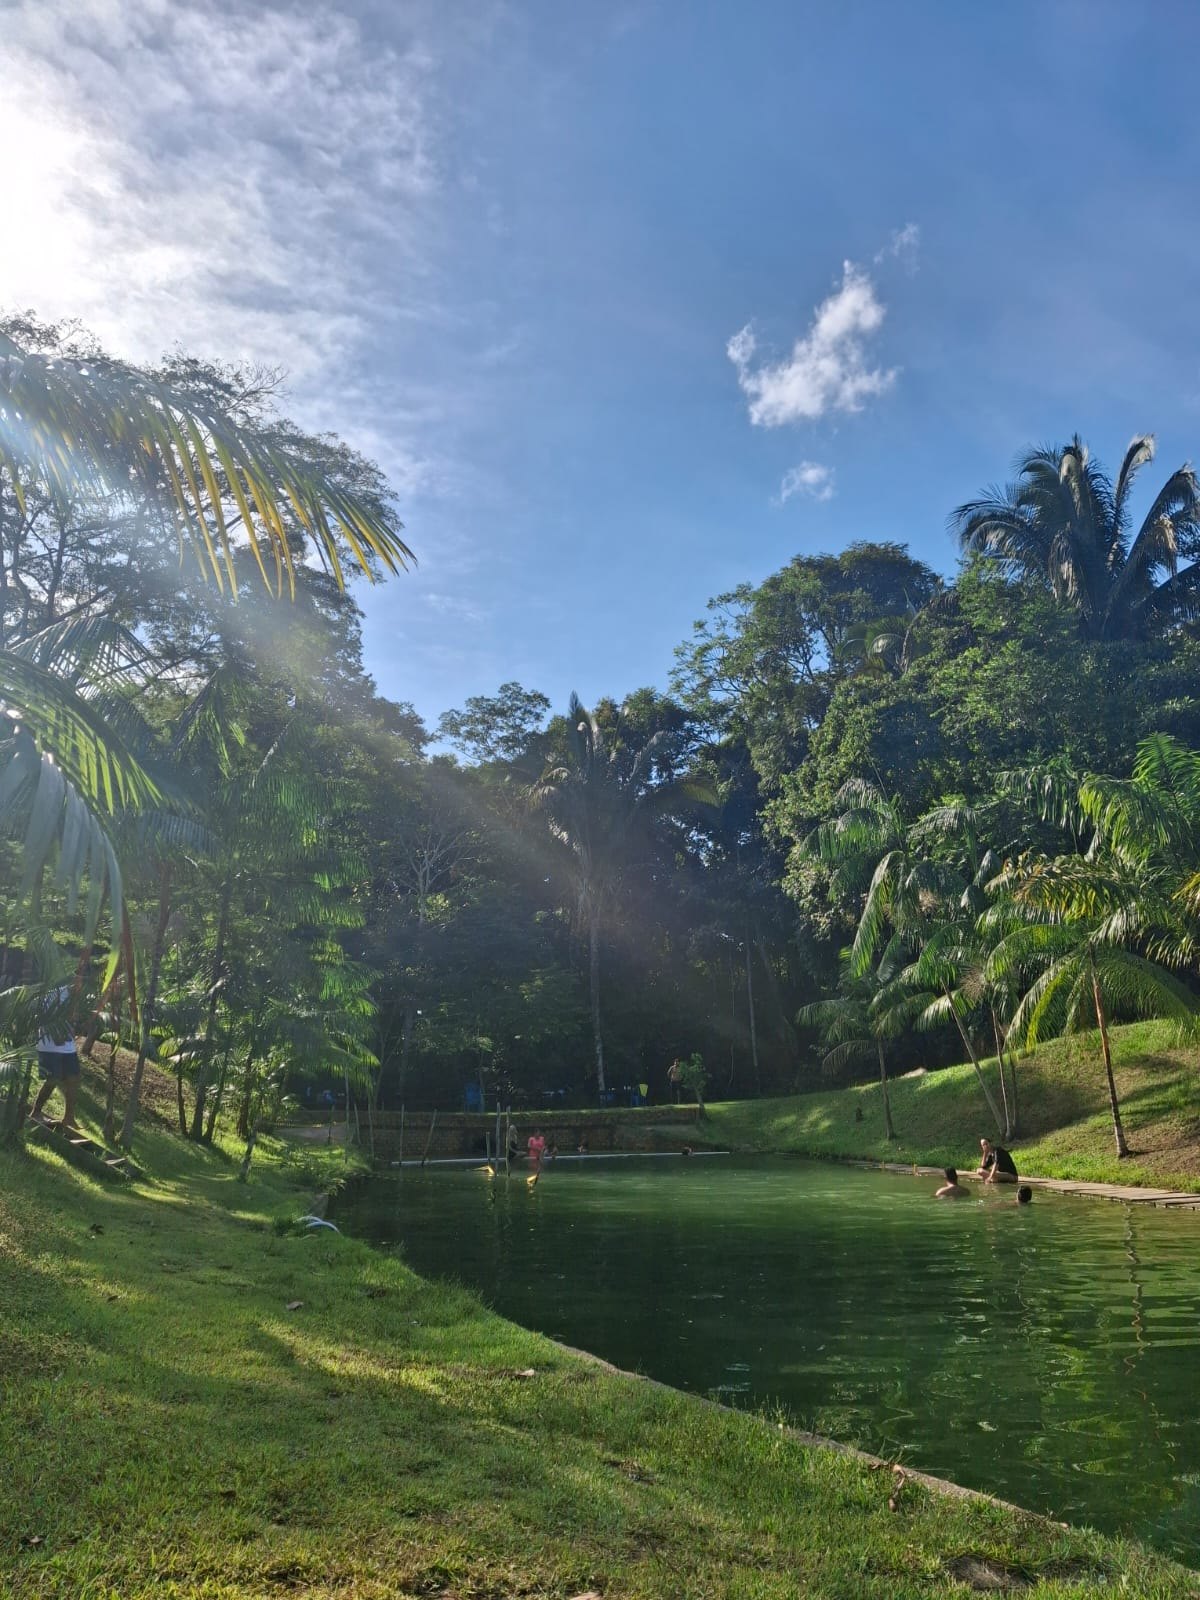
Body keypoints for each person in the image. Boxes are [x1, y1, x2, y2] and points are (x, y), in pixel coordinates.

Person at [29, 985, 81, 1132]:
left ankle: (69, 1117)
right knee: (53, 1078)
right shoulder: (53, 992)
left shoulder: (77, 994)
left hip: (68, 1045)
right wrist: (55, 1035)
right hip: (49, 1044)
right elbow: (43, 1015)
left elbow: (74, 1017)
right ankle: (36, 1112)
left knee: (73, 1078)